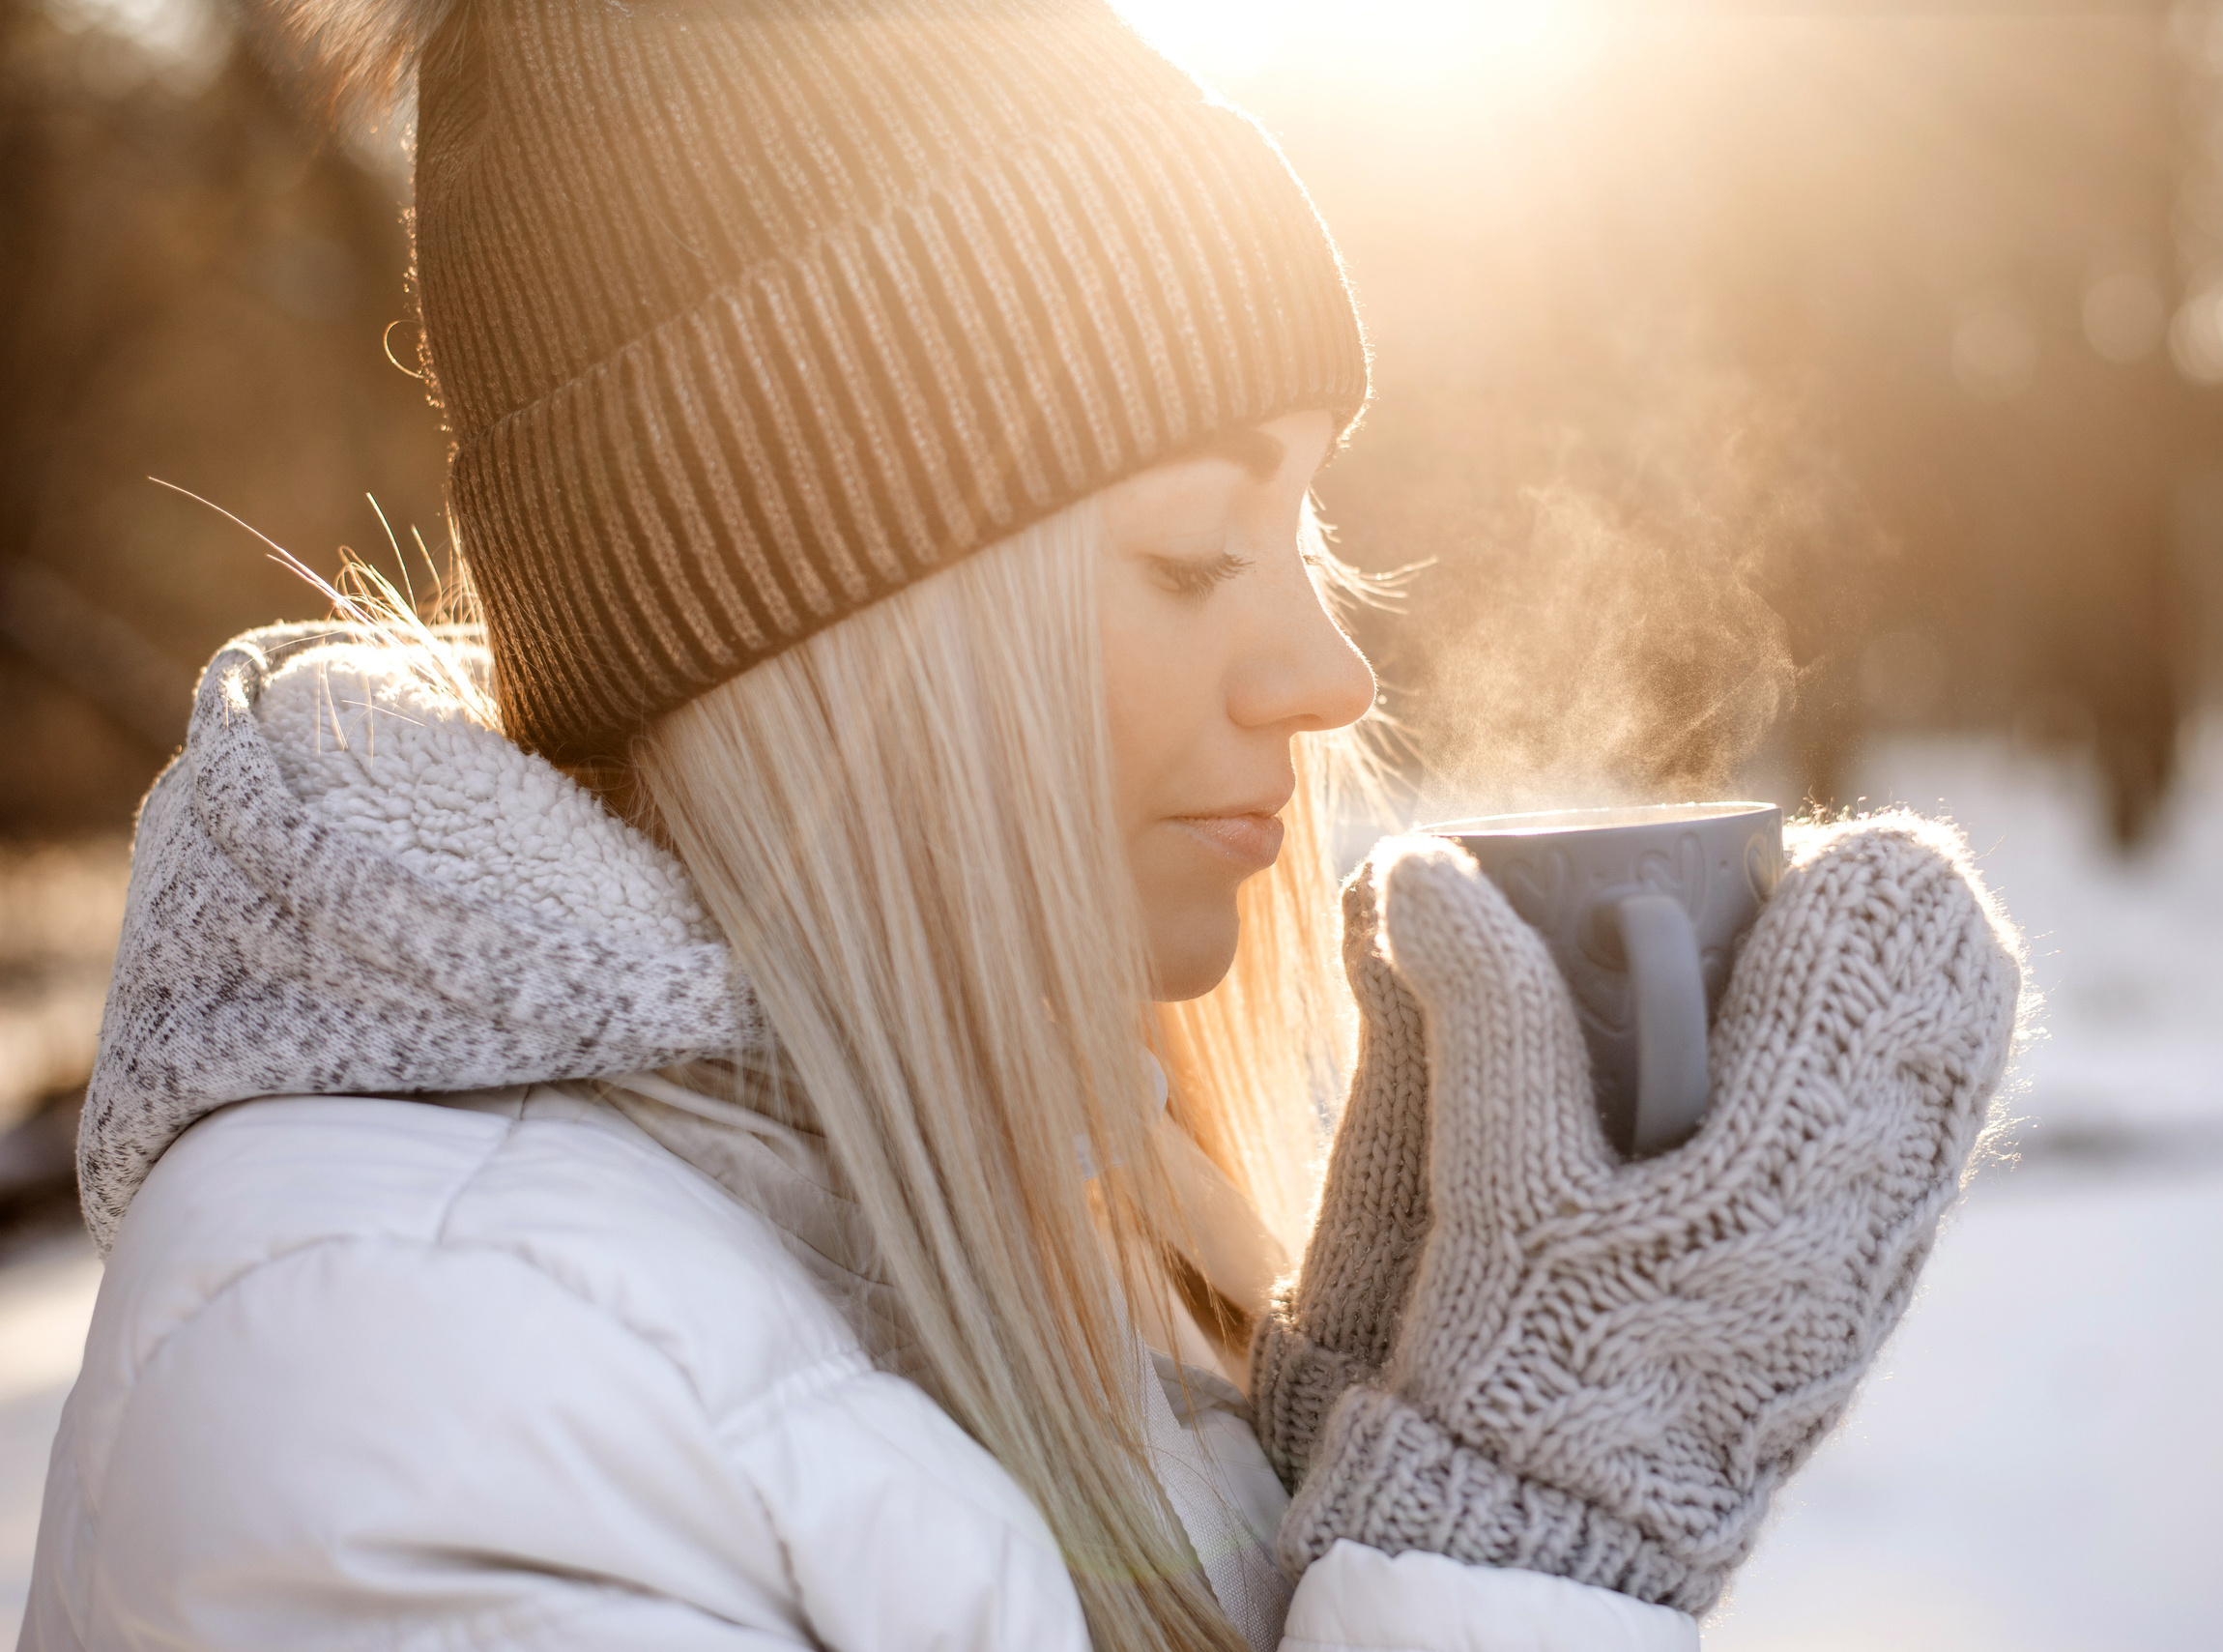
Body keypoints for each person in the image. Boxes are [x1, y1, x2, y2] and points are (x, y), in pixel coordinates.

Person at [20, 3, 2026, 1649]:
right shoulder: (407, 1360)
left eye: (1302, 532)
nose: (1329, 675)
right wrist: (1514, 1553)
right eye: (1185, 555)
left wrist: (1342, 1482)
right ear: (849, 631)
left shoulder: (1061, 1225)